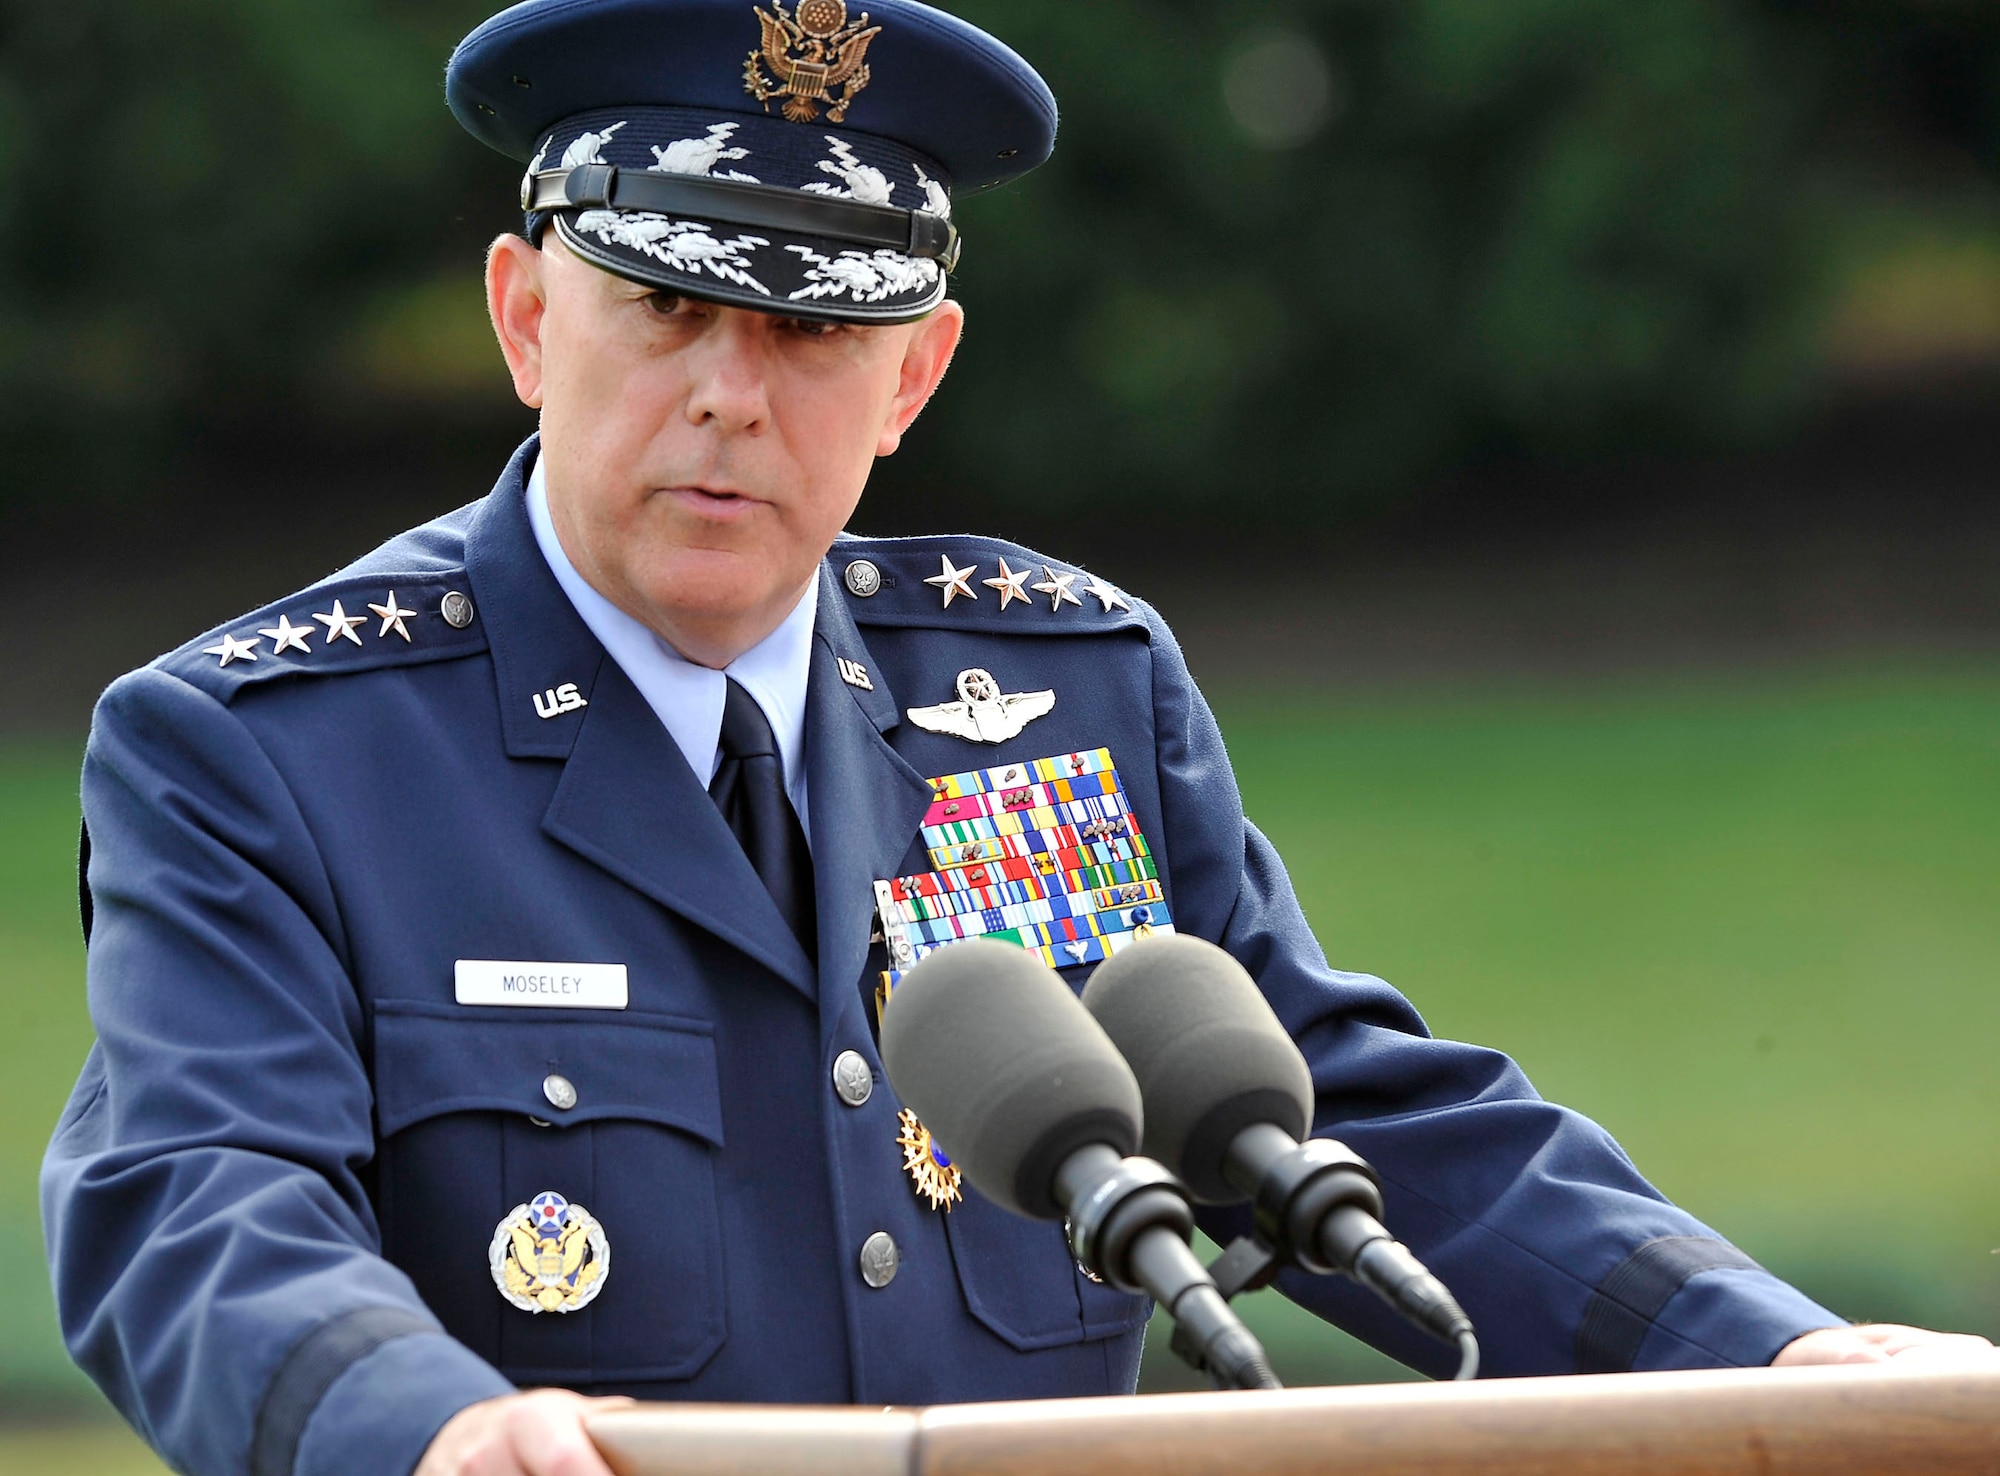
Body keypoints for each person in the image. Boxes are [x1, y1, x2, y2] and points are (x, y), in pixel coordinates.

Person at [41, 2, 1996, 1474]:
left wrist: (1758, 1348)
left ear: (914, 374)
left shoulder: (1062, 692)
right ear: (527, 320)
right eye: (665, 309)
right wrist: (418, 1430)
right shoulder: (268, 749)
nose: (733, 398)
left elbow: (1327, 1118)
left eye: (812, 336)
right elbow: (199, 1202)